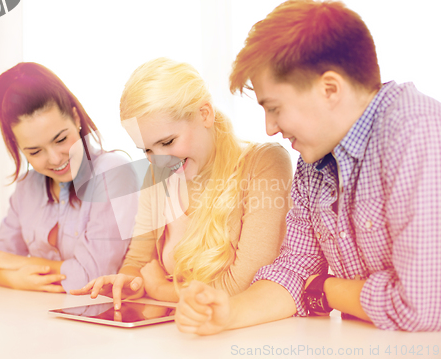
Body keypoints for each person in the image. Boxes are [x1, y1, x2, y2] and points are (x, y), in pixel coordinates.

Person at [175, 0, 441, 334]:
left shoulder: (417, 133)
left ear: (330, 89)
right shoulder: (312, 165)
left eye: (274, 108)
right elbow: (295, 270)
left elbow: (422, 306)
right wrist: (229, 313)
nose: (270, 128)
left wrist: (327, 290)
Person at [71, 58, 292, 308]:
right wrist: (129, 283)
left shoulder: (264, 164)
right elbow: (138, 262)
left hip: (241, 335)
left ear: (204, 114)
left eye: (167, 143)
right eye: (147, 150)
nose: (159, 161)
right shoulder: (156, 176)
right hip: (180, 331)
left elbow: (245, 285)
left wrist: (160, 289)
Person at [0, 62, 138, 293]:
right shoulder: (27, 187)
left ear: (75, 118)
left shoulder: (113, 173)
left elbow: (91, 276)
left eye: (61, 139)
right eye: (35, 151)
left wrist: (23, 265)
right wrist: (16, 280)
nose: (55, 159)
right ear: (19, 147)